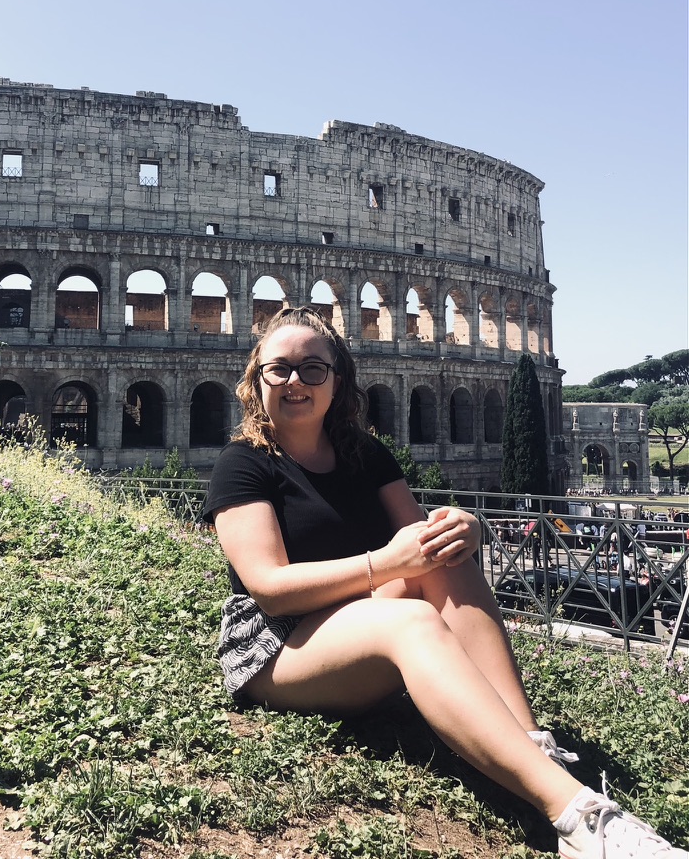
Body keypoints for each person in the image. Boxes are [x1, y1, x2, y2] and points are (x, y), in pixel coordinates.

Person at [203, 307, 686, 859]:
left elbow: (421, 543)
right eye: (279, 369)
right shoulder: (242, 463)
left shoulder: (366, 453)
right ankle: (578, 817)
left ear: (337, 381)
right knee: (410, 618)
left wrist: (469, 529)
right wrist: (385, 562)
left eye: (313, 369)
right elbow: (269, 587)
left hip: (357, 621)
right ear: (255, 378)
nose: (296, 382)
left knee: (445, 556)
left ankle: (528, 744)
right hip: (275, 647)